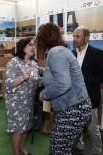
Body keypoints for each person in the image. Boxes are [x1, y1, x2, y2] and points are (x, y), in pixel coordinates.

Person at [36, 22, 92, 155]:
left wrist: (44, 94)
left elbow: (63, 84)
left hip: (72, 110)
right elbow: (55, 73)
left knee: (58, 150)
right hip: (73, 108)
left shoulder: (55, 53)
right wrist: (39, 70)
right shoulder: (60, 51)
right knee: (62, 148)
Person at [72, 26, 103, 155]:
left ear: (86, 38)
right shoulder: (72, 53)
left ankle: (97, 151)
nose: (74, 39)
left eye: (77, 36)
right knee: (77, 126)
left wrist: (82, 79)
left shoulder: (97, 53)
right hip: (74, 98)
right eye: (73, 36)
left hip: (90, 98)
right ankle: (79, 146)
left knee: (93, 128)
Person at [5, 37, 40, 155]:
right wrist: (22, 78)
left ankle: (22, 149)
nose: (33, 47)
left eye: (34, 45)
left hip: (29, 102)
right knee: (19, 130)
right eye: (30, 44)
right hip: (16, 103)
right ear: (22, 46)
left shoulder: (34, 63)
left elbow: (38, 82)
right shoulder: (13, 62)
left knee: (26, 127)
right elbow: (9, 84)